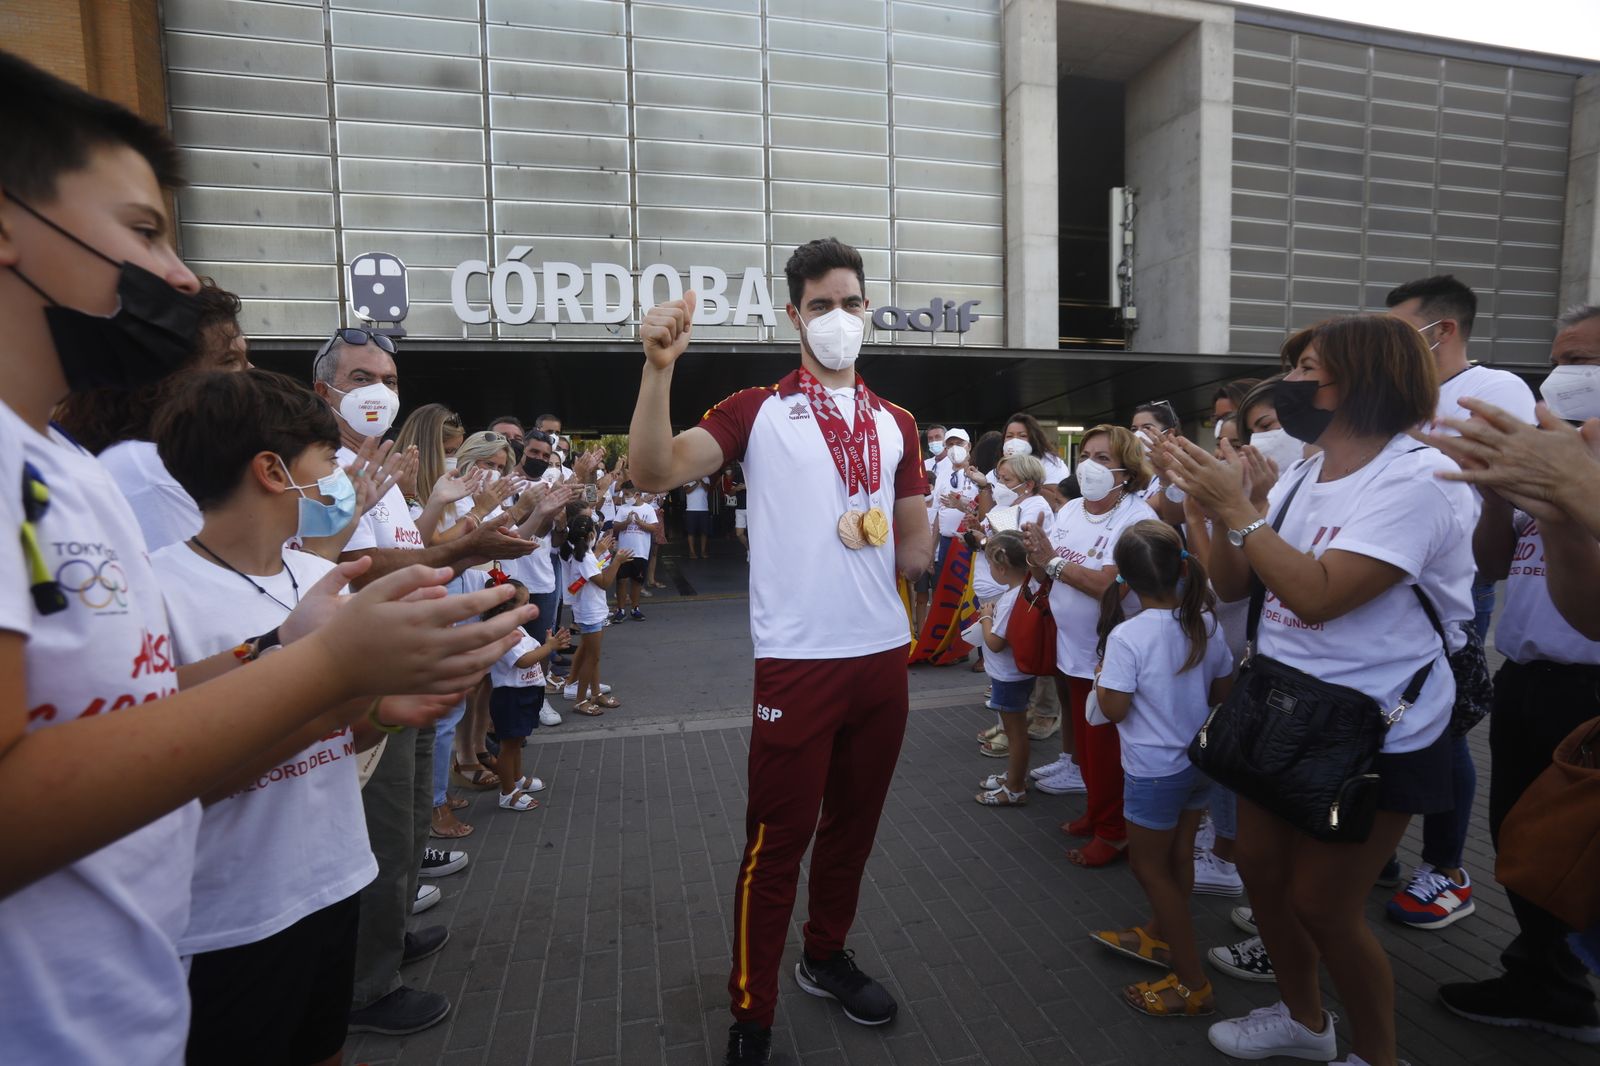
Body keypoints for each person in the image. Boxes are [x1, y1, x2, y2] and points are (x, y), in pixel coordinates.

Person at [0, 52, 532, 1063]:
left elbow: (123, 725)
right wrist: (324, 668)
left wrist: (309, 666)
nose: (181, 278)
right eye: (144, 231)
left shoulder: (54, 464)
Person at [628, 237, 933, 1066]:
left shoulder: (897, 422)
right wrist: (659, 370)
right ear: (794, 315)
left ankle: (825, 955)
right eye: (823, 304)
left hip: (881, 658)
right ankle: (752, 1011)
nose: (840, 318)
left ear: (871, 311)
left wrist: (913, 548)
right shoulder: (757, 408)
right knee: (777, 843)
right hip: (798, 665)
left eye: (853, 303)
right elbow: (651, 469)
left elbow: (913, 544)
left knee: (854, 830)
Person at [1163, 314, 1475, 1066]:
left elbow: (1319, 595)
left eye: (1308, 369)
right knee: (1264, 878)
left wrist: (1238, 512)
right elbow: (1241, 582)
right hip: (1285, 706)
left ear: (1367, 379)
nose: (1290, 384)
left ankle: (1377, 1053)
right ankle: (1304, 1020)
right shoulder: (1305, 472)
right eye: (1292, 367)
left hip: (1376, 727)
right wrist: (1207, 509)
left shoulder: (1419, 478)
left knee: (1324, 906)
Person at [149, 368, 465, 1065]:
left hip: (333, 878)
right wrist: (298, 660)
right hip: (231, 920)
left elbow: (324, 736)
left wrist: (381, 713)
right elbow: (176, 775)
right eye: (329, 462)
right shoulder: (161, 592)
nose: (344, 481)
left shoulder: (311, 576)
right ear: (271, 471)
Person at [311, 328, 537, 1036]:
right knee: (378, 826)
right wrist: (461, 544)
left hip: (406, 666)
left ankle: (392, 933)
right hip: (364, 676)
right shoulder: (322, 473)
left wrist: (437, 515)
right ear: (326, 392)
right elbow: (345, 566)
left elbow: (406, 546)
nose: (378, 389)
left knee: (406, 817)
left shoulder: (383, 472)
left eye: (388, 377)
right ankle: (366, 985)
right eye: (360, 377)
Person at [1426, 305, 1600, 1044]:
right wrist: (1498, 496)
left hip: (1588, 691)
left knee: (1571, 852)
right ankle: (1542, 974)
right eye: (1560, 357)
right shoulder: (1549, 457)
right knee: (1518, 841)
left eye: (1586, 359)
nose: (1567, 374)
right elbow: (1495, 563)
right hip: (1530, 676)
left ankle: (1562, 977)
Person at [1385, 274, 1540, 924]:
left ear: (1441, 330)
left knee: (1444, 724)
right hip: (1391, 580)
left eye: (1401, 329)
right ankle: (1380, 849)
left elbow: (1503, 484)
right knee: (1386, 719)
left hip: (1454, 582)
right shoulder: (1402, 396)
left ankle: (1445, 867)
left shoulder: (1494, 389)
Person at [1090, 520, 1234, 1018]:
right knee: (1179, 859)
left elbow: (1114, 710)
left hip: (1152, 769)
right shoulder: (1206, 623)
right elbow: (1223, 692)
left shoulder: (1129, 637)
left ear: (1124, 582)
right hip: (1198, 763)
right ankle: (1157, 932)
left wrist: (1101, 678)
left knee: (1148, 866)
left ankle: (1192, 981)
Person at [1022, 425, 1158, 864]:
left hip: (1109, 653)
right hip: (1073, 649)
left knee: (1106, 747)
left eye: (1103, 458)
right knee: (1086, 741)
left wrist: (1052, 563)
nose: (1090, 466)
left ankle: (1114, 831)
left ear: (1127, 471)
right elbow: (1048, 568)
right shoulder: (1073, 509)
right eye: (1087, 455)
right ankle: (1097, 813)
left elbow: (1109, 587)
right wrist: (1036, 556)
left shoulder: (1136, 518)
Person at [57, 279, 247, 550]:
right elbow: (221, 583)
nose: (250, 372)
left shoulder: (178, 461)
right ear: (166, 378)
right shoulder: (145, 470)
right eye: (229, 361)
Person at [482, 578, 569, 812]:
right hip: (511, 697)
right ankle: (507, 792)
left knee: (516, 742)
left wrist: (551, 644)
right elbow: (522, 661)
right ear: (506, 608)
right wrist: (548, 647)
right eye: (525, 603)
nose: (531, 608)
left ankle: (518, 779)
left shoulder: (517, 628)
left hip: (526, 693)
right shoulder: (503, 633)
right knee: (508, 746)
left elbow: (532, 652)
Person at [972, 531, 1035, 805]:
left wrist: (986, 617)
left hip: (1009, 676)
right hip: (1016, 673)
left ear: (1001, 567)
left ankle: (1015, 787)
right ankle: (1013, 776)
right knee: (1015, 731)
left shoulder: (1010, 600)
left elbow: (995, 643)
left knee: (1015, 734)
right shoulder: (1026, 588)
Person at [559, 513, 629, 715]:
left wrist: (599, 553)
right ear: (591, 533)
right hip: (590, 612)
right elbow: (604, 582)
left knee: (592, 656)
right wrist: (617, 561)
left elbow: (590, 574)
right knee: (592, 658)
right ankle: (581, 700)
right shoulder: (585, 557)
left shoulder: (582, 553)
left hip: (589, 610)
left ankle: (596, 693)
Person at [612, 482, 660, 621]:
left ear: (637, 495)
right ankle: (621, 610)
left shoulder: (648, 509)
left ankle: (635, 608)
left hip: (640, 552)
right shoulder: (622, 509)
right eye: (624, 494)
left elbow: (653, 528)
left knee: (637, 581)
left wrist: (639, 523)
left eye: (627, 494)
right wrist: (626, 523)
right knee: (621, 580)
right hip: (624, 553)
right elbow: (616, 526)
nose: (625, 497)